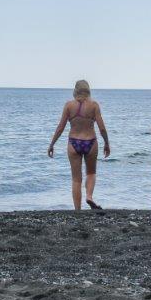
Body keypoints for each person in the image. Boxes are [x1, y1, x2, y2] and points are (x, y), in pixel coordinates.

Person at [48, 80, 111, 210]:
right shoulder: (94, 105)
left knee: (76, 179)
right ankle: (89, 196)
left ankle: (78, 211)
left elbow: (60, 127)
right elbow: (102, 128)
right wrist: (106, 143)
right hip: (91, 142)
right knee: (91, 173)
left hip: (73, 143)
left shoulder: (68, 106)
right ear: (88, 90)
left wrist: (52, 144)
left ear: (75, 90)